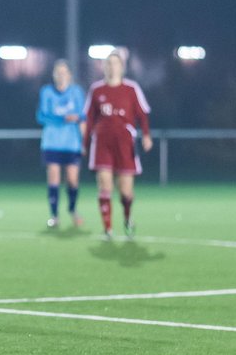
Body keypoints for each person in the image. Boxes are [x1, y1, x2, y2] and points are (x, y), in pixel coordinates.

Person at [83, 50, 152, 240]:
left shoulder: (131, 89)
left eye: (115, 63)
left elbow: (142, 114)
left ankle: (127, 218)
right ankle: (108, 229)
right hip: (103, 143)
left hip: (124, 143)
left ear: (122, 67)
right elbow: (88, 118)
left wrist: (146, 135)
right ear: (104, 67)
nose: (112, 67)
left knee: (126, 192)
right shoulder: (96, 90)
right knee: (105, 186)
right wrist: (84, 142)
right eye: (108, 63)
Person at [37, 59, 86, 229]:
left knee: (72, 180)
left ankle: (72, 210)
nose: (61, 75)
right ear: (53, 75)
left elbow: (83, 117)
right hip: (52, 142)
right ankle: (54, 215)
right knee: (54, 177)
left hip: (72, 143)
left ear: (70, 75)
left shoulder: (76, 92)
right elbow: (41, 116)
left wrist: (84, 140)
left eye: (64, 72)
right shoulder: (47, 92)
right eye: (58, 72)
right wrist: (63, 118)